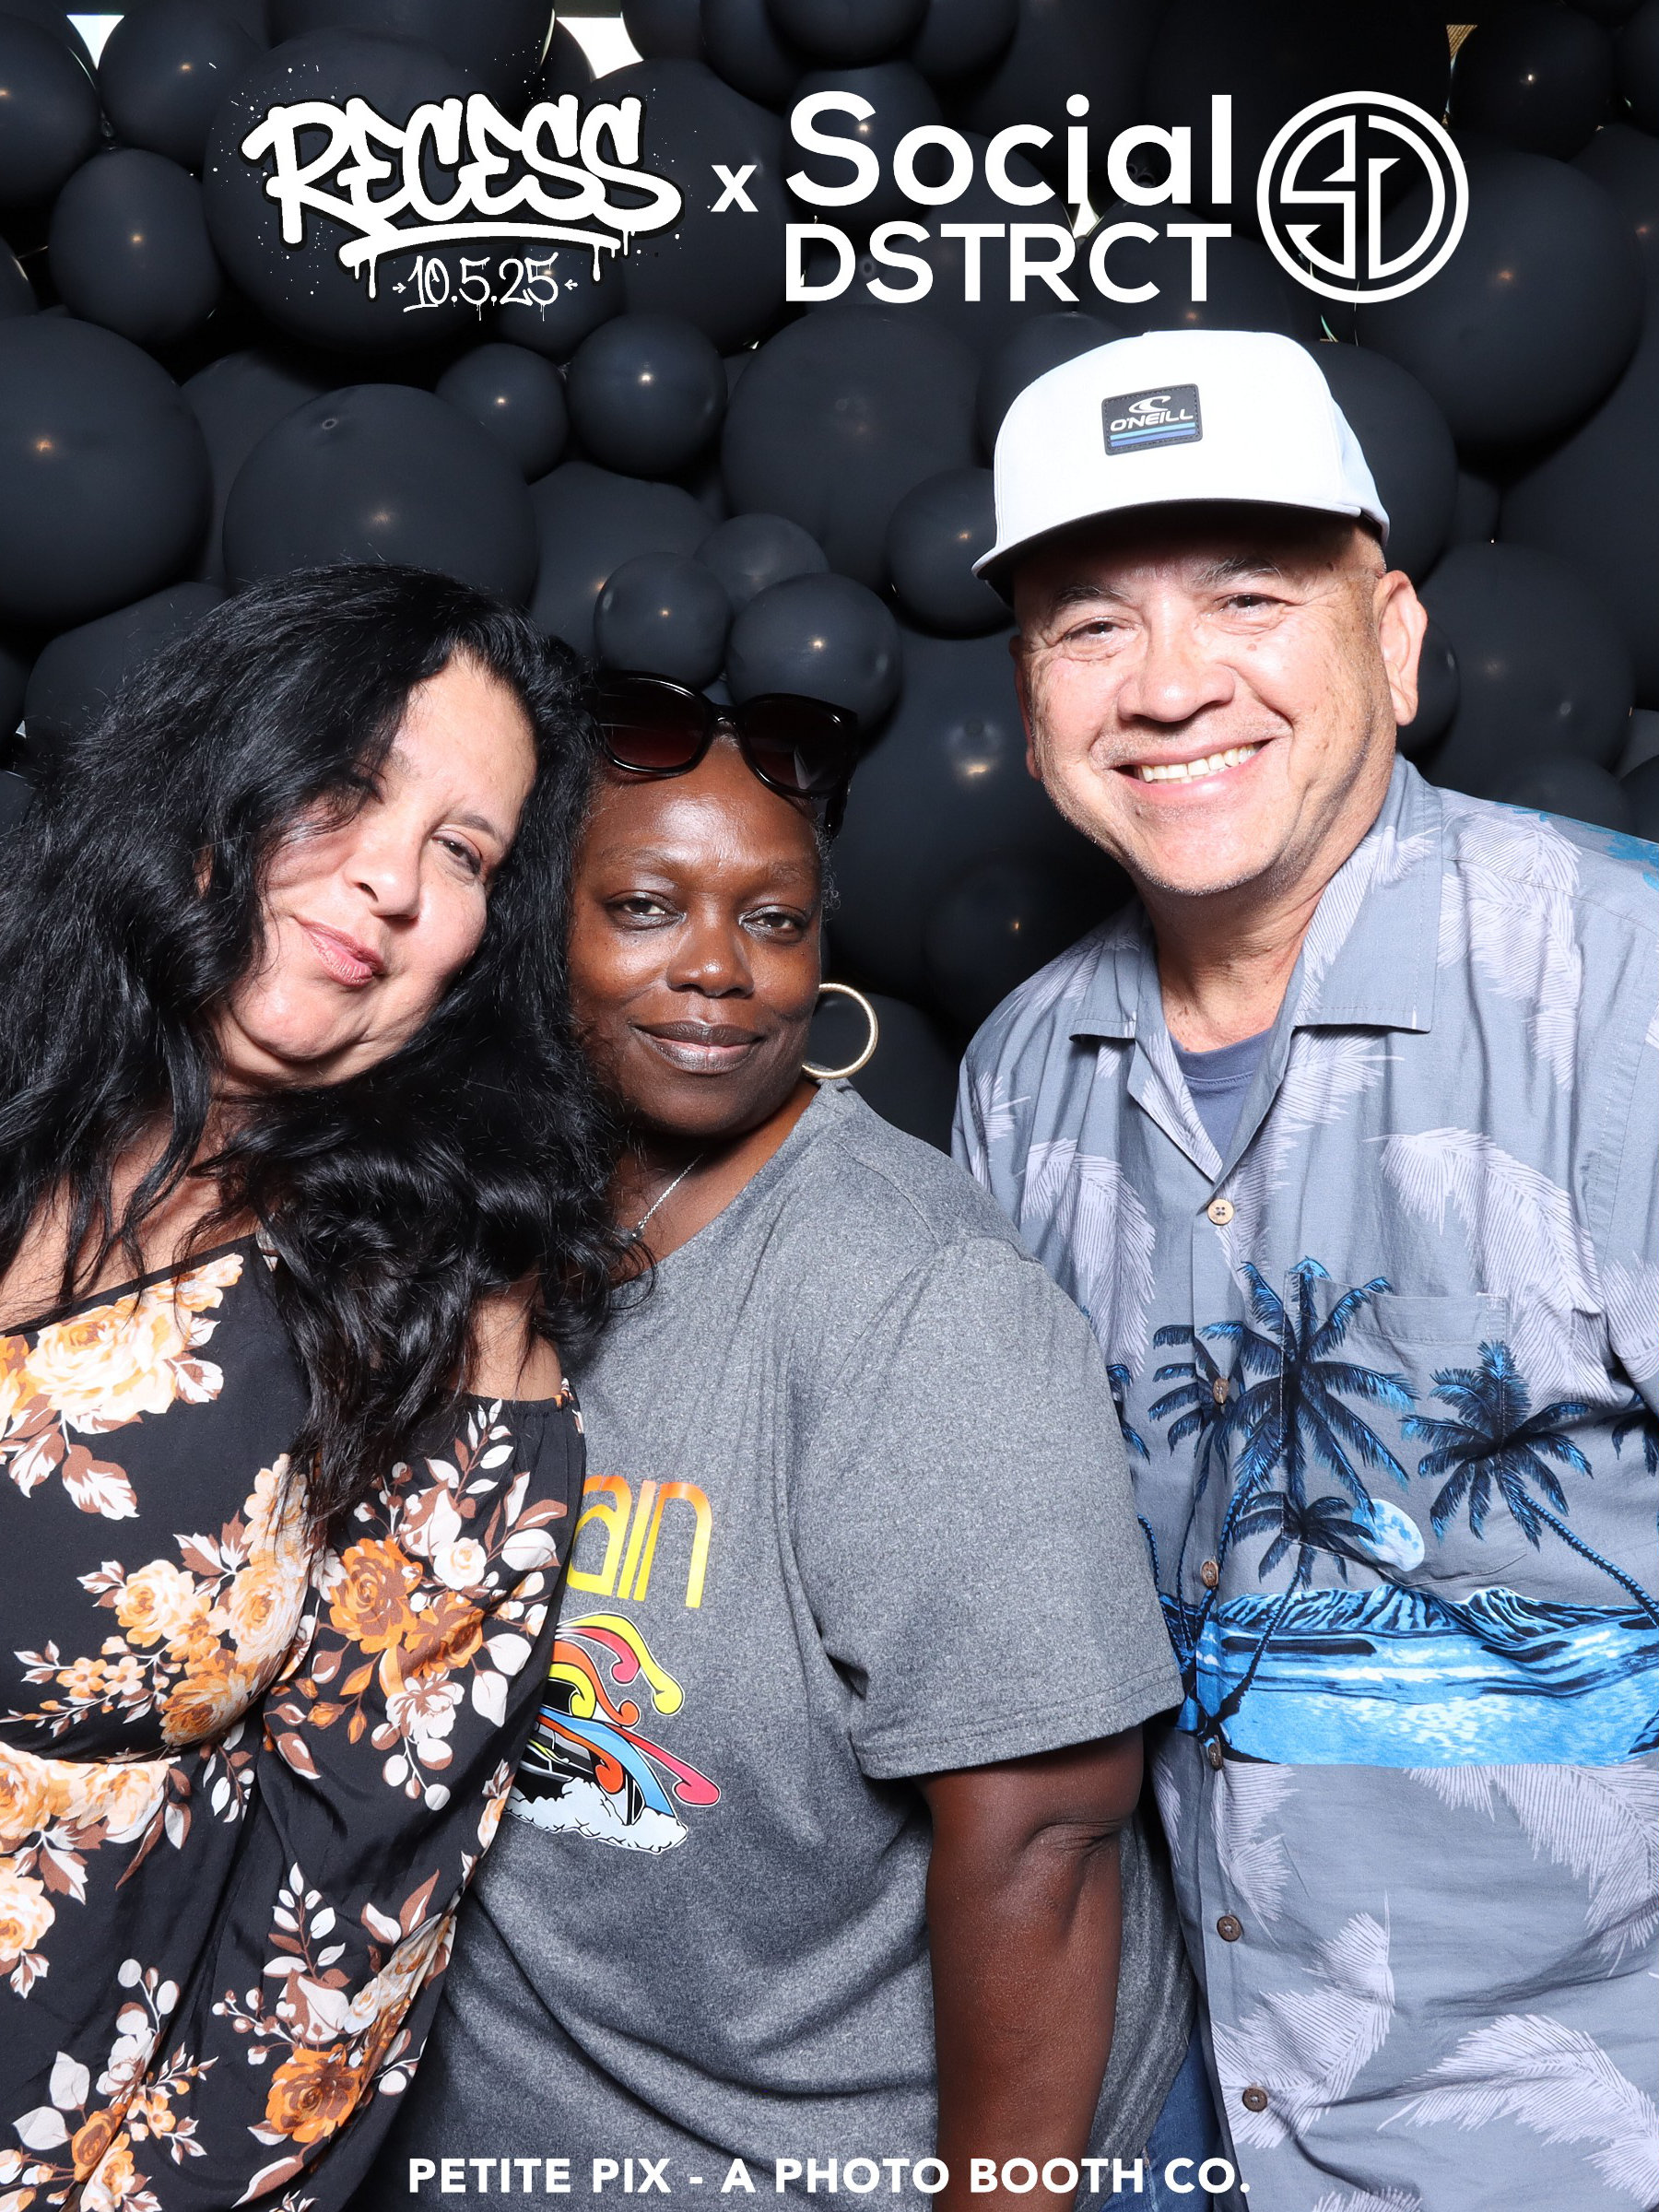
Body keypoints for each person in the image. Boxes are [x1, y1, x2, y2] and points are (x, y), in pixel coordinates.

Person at [955, 327, 1659, 2206]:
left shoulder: (1622, 985)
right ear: (1030, 700)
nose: (1171, 684)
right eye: (1091, 627)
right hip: (1194, 2111)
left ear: (1397, 642)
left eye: (1250, 599)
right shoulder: (1022, 1073)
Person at [368, 671, 1193, 2211]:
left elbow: (1052, 1836)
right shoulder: (462, 1214)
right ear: (536, 927)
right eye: (644, 906)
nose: (718, 970)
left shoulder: (918, 1297)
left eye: (775, 920)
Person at [0, 567, 621, 2210]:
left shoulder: (439, 1318)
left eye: (465, 853)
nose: (392, 880)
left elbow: (332, 1950)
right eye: (350, 785)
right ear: (220, 777)